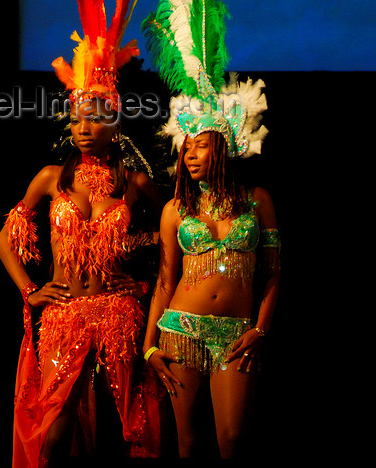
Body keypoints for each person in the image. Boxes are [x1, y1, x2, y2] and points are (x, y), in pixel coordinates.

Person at [0, 1, 164, 466]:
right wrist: (30, 289)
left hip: (119, 314)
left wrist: (145, 284)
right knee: (55, 431)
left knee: (124, 430)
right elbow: (4, 239)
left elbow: (175, 235)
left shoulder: (135, 182)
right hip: (64, 314)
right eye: (76, 118)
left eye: (94, 118)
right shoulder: (51, 177)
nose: (84, 128)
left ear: (115, 121)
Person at [140, 0, 281, 458]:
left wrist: (261, 329)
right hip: (180, 328)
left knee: (233, 440)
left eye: (202, 147)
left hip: (238, 331)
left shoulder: (257, 201)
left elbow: (275, 274)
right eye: (187, 150)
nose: (192, 156)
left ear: (222, 148)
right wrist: (148, 347)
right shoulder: (176, 210)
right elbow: (164, 282)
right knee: (186, 443)